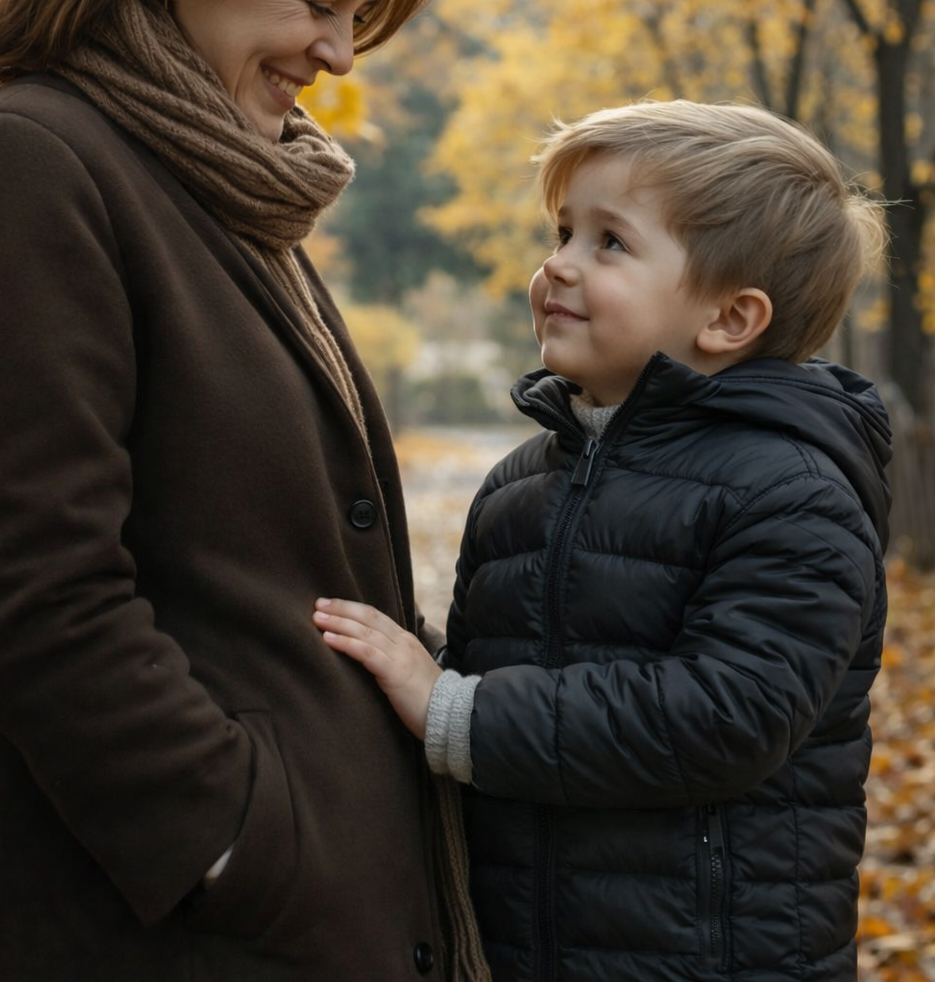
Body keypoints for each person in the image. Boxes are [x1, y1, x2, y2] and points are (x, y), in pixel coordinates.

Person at [0, 0, 490, 982]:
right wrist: (238, 842)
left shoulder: (216, 188)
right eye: (319, 5)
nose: (339, 55)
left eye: (356, 19)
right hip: (153, 928)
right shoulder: (30, 167)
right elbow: (33, 596)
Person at [313, 99, 893, 982]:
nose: (558, 266)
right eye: (562, 231)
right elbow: (478, 676)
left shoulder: (793, 491)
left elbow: (726, 716)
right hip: (524, 946)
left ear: (730, 319)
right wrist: (406, 669)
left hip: (714, 957)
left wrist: (451, 711)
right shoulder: (519, 486)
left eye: (609, 243)